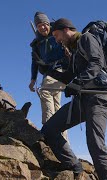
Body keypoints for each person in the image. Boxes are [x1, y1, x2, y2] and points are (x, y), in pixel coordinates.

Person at [41, 18, 107, 180]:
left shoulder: (86, 38)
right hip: (82, 99)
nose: (56, 39)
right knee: (49, 130)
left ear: (66, 29)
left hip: (99, 97)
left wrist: (77, 83)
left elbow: (96, 64)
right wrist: (48, 71)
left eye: (56, 35)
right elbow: (69, 76)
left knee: (96, 145)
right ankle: (75, 166)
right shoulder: (74, 51)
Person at [29, 12, 69, 141]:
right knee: (57, 106)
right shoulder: (37, 43)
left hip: (60, 70)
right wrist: (33, 79)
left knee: (45, 91)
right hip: (49, 73)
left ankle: (48, 128)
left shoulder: (56, 34)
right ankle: (63, 141)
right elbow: (34, 62)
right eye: (39, 25)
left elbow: (66, 50)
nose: (42, 28)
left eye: (44, 24)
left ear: (48, 24)